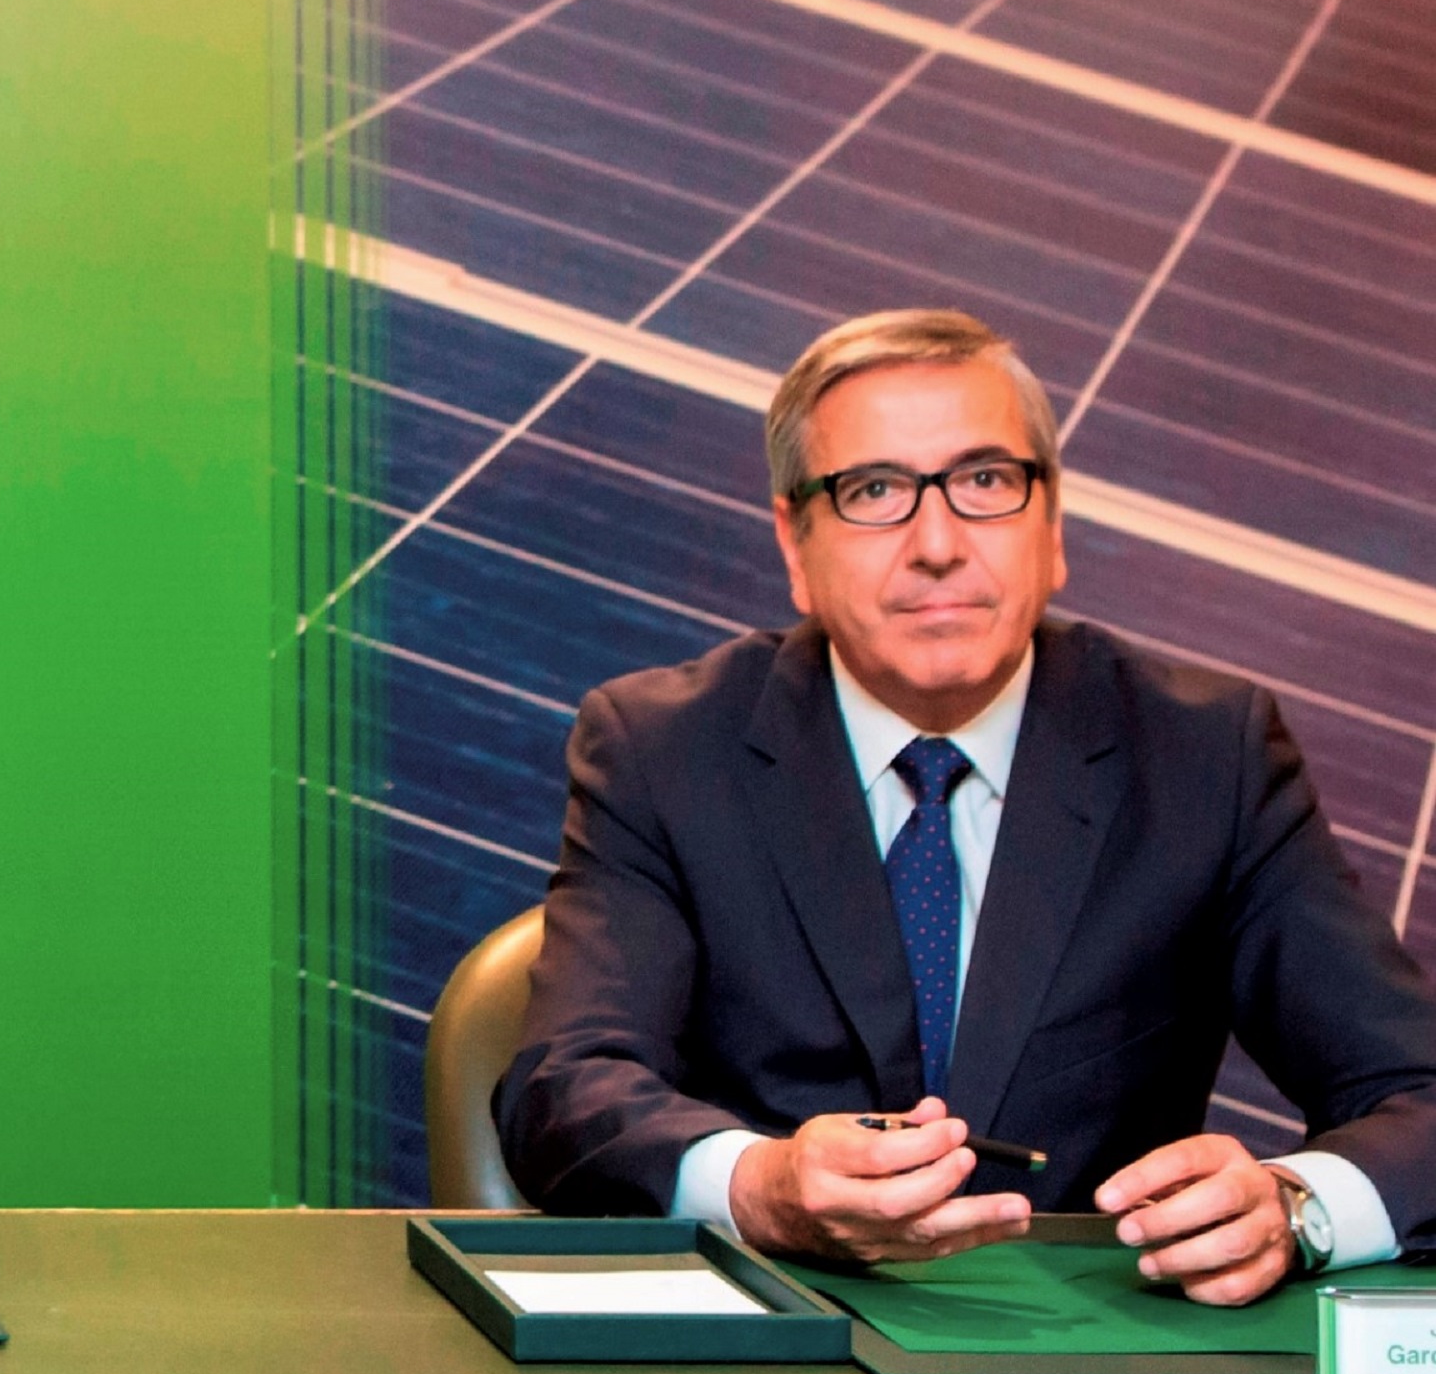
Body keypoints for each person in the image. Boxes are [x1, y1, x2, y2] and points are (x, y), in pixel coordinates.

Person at [494, 309, 1436, 1304]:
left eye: (984, 482)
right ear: (794, 546)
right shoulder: (662, 751)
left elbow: (1419, 1094)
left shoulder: (1205, 757)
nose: (937, 544)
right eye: (872, 492)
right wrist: (761, 1187)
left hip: (1093, 1358)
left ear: (1052, 528)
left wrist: (1297, 1208)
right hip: (764, 1337)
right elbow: (566, 1087)